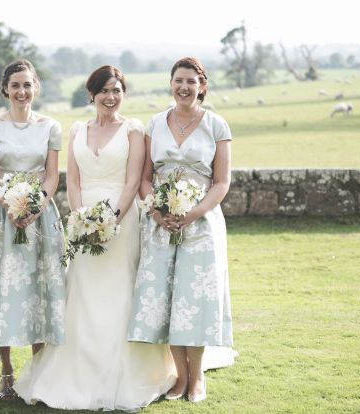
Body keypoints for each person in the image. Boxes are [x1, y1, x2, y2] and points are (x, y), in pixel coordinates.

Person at [14, 65, 176, 411]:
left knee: (119, 291)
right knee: (82, 292)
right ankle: (76, 373)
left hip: (122, 218)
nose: (110, 97)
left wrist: (111, 220)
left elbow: (134, 180)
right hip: (83, 220)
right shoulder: (76, 130)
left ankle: (126, 374)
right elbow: (71, 180)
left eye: (117, 90)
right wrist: (81, 218)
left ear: (124, 94)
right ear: (92, 94)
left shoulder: (134, 130)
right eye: (104, 90)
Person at [128, 57, 236, 403]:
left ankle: (198, 376)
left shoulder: (217, 125)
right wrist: (158, 213)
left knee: (196, 298)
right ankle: (179, 376)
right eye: (178, 80)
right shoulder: (155, 123)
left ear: (201, 86)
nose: (184, 87)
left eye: (191, 81)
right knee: (167, 297)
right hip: (160, 224)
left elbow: (221, 183)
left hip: (201, 224)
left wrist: (192, 213)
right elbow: (145, 178)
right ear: (170, 83)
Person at [0, 60, 66, 399]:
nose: (21, 91)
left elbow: (52, 175)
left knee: (39, 290)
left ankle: (39, 372)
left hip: (40, 215)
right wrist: (9, 205)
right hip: (0, 217)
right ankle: (7, 372)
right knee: (3, 290)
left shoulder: (51, 126)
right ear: (5, 89)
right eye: (15, 85)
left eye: (27, 85)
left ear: (36, 88)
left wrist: (35, 205)